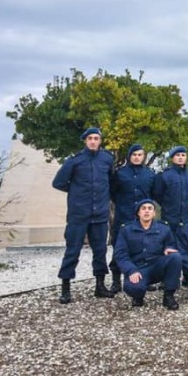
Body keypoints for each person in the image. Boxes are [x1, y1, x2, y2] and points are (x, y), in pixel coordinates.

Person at [52, 127, 116, 304]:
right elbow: (58, 183)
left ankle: (100, 286)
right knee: (72, 250)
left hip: (100, 215)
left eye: (96, 138)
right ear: (85, 141)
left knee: (100, 251)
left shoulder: (107, 159)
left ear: (100, 141)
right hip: (78, 214)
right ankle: (66, 289)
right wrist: (77, 192)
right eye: (90, 138)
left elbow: (110, 182)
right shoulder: (74, 161)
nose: (93, 141)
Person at [114, 199, 182, 310]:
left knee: (175, 257)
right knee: (134, 288)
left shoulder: (164, 229)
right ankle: (138, 296)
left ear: (154, 213)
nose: (147, 211)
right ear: (138, 213)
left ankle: (169, 296)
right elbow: (120, 254)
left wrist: (168, 249)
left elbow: (171, 245)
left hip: (156, 267)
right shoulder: (126, 230)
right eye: (143, 208)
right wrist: (131, 270)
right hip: (138, 268)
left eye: (150, 209)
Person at [109, 143, 155, 294]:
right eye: (134, 154)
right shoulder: (120, 173)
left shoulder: (149, 174)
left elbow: (152, 194)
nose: (137, 157)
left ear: (143, 157)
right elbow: (113, 193)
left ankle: (145, 278)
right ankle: (116, 281)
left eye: (140, 155)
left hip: (143, 220)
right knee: (119, 249)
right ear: (129, 156)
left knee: (144, 248)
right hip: (123, 217)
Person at [152, 146, 188, 236]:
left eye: (183, 155)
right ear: (172, 158)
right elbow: (157, 195)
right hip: (169, 218)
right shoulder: (164, 175)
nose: (180, 157)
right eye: (177, 155)